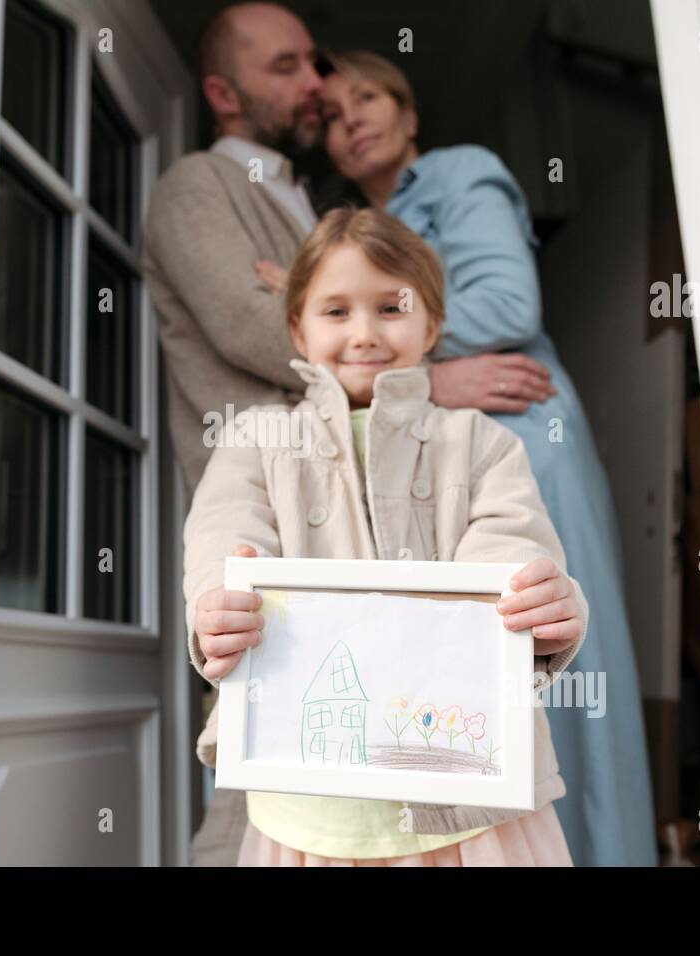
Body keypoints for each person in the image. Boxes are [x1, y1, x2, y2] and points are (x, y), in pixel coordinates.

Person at [142, 3, 556, 865]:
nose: (317, 85)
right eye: (289, 67)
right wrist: (422, 379)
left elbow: (506, 553)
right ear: (221, 92)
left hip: (435, 682)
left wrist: (517, 612)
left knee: (404, 770)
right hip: (292, 518)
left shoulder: (475, 446)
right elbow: (239, 326)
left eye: (316, 65)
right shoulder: (197, 187)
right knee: (282, 771)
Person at [273, 49, 658, 866]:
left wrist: (415, 371)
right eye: (334, 117)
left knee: (546, 647)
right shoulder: (344, 228)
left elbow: (512, 300)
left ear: (410, 114)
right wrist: (423, 377)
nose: (354, 120)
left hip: (520, 431)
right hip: (427, 442)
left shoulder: (459, 172)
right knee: (458, 676)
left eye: (369, 97)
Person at [185, 206, 587, 866]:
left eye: (392, 308)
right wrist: (215, 609)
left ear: (432, 324)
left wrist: (539, 608)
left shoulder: (483, 444)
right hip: (310, 812)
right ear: (297, 327)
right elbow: (222, 544)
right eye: (336, 311)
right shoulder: (254, 442)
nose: (364, 332)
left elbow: (512, 554)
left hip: (469, 808)